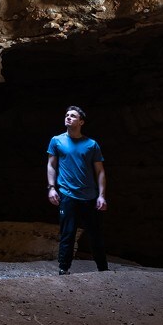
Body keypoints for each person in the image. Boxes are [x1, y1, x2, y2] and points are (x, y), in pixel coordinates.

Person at [46, 106, 108, 274]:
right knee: (67, 233)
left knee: (95, 234)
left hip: (89, 196)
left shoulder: (91, 144)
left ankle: (103, 269)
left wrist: (101, 196)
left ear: (81, 122)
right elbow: (51, 165)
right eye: (66, 115)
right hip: (67, 194)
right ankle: (63, 269)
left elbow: (100, 171)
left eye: (73, 116)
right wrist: (51, 188)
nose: (68, 118)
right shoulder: (57, 141)